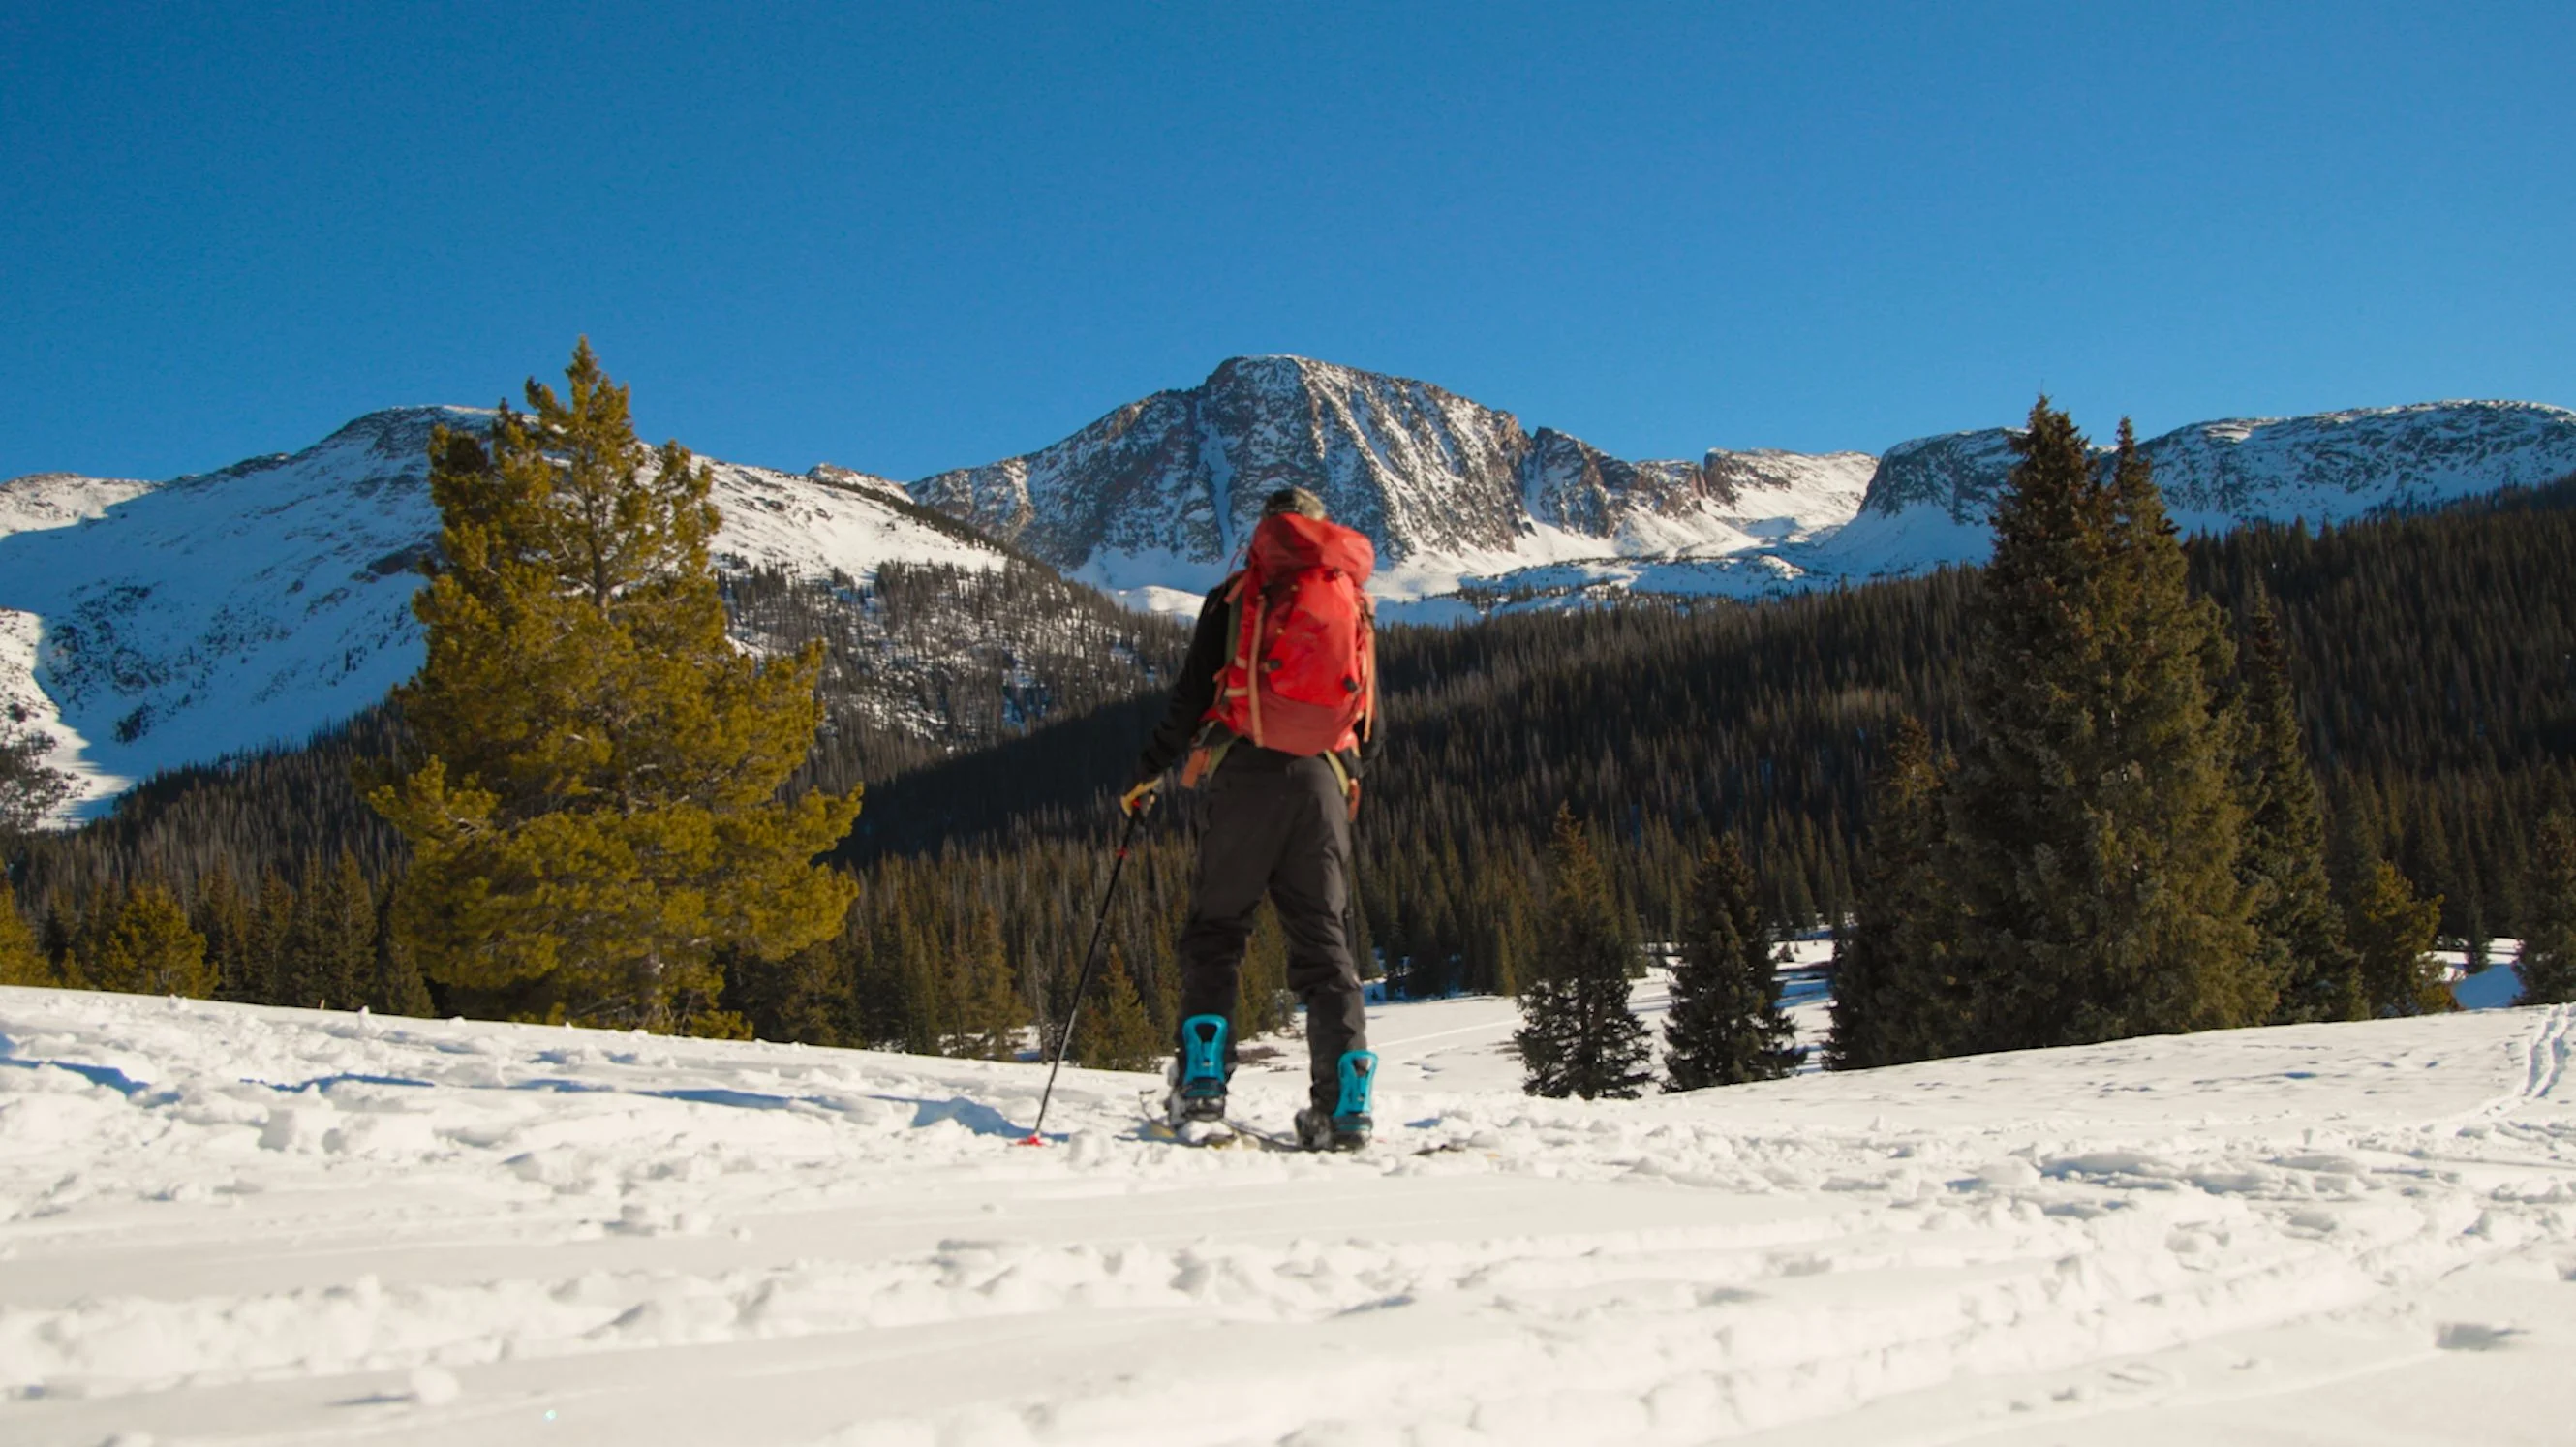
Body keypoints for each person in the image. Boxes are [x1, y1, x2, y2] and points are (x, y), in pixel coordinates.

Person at [1124, 486, 1379, 1151]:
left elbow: (1190, 698)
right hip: (1324, 783)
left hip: (1244, 775)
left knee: (1218, 931)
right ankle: (1344, 1106)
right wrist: (1344, 775)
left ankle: (1202, 1083)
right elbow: (1368, 721)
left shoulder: (1237, 595)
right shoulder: (1352, 599)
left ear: (1266, 532)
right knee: (1325, 945)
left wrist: (1148, 770)